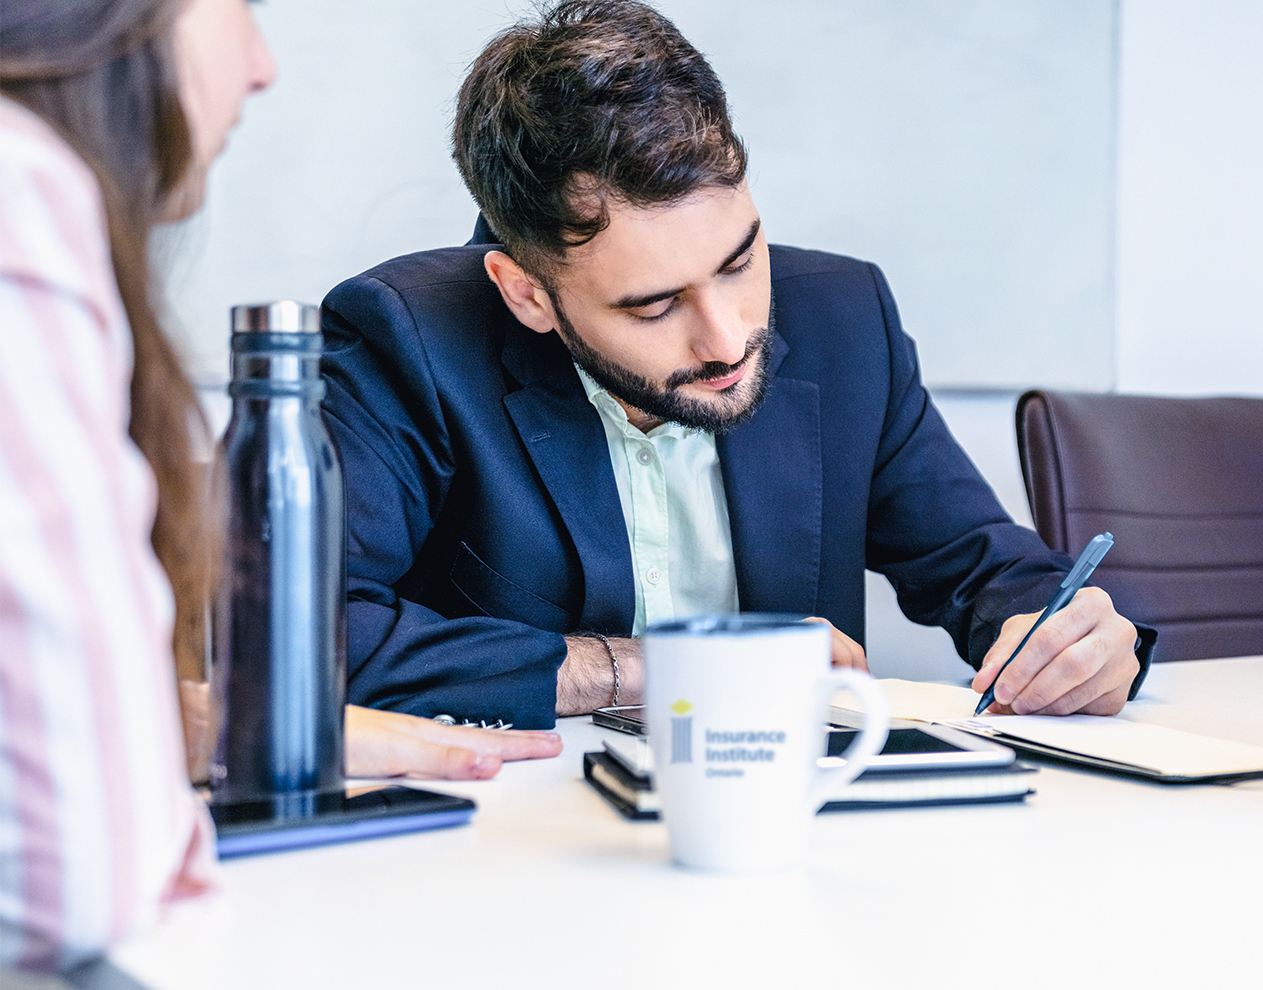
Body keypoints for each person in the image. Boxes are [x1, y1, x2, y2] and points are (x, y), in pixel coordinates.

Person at [322, 0, 1157, 731]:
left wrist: (1073, 639)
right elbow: (305, 637)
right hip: (516, 847)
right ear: (526, 294)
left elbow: (988, 569)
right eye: (652, 305)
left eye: (738, 261)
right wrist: (655, 668)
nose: (726, 341)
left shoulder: (844, 317)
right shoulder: (407, 338)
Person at [0, 0, 560, 972]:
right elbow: (77, 877)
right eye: (241, 8)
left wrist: (191, 724)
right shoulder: (20, 196)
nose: (262, 67)